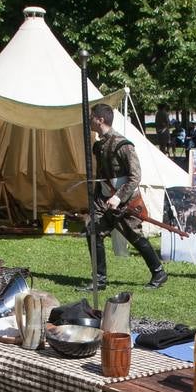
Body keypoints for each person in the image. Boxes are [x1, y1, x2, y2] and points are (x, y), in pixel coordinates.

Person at [82, 102, 168, 291]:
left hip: (125, 202)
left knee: (135, 237)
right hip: (104, 202)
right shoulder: (99, 145)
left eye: (91, 116)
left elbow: (135, 176)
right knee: (93, 231)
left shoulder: (123, 145)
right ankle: (100, 280)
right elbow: (103, 175)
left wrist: (118, 198)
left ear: (100, 119)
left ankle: (159, 272)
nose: (89, 120)